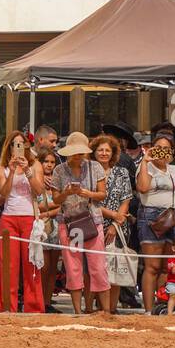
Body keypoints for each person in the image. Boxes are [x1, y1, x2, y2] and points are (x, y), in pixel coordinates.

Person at [51, 132, 109, 314]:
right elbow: (56, 200)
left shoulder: (95, 167)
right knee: (73, 267)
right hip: (68, 222)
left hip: (92, 219)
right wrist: (67, 193)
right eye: (74, 152)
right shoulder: (59, 171)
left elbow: (102, 194)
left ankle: (105, 311)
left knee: (98, 267)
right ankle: (77, 311)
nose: (77, 156)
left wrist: (86, 193)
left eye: (80, 152)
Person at [0, 130, 44, 313]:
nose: (18, 148)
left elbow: (40, 191)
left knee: (31, 264)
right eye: (15, 144)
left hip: (29, 217)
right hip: (9, 218)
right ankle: (7, 306)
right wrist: (12, 171)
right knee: (8, 265)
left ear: (26, 146)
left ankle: (34, 307)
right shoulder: (2, 168)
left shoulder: (35, 165)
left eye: (21, 144)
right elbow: (4, 193)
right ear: (9, 147)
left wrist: (28, 172)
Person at [134, 136, 175, 314]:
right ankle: (148, 309)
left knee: (164, 267)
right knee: (152, 266)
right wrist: (146, 161)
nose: (162, 151)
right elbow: (143, 188)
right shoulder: (145, 166)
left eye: (166, 148)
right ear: (152, 149)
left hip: (173, 216)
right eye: (158, 147)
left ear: (170, 151)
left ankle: (160, 306)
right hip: (150, 216)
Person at [92, 134, 133, 315]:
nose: (103, 153)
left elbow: (126, 199)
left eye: (107, 150)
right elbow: (91, 203)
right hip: (94, 224)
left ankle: (112, 309)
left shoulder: (122, 172)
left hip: (117, 227)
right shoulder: (89, 172)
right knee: (98, 268)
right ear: (94, 152)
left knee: (115, 269)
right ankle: (100, 308)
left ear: (113, 153)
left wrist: (115, 223)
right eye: (100, 149)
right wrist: (113, 215)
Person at [35, 149, 62, 311]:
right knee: (42, 266)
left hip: (56, 226)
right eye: (46, 162)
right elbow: (35, 205)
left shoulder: (58, 181)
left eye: (52, 162)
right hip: (41, 227)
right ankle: (38, 300)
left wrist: (48, 211)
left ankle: (47, 301)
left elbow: (63, 204)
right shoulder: (36, 180)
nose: (49, 165)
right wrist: (53, 207)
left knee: (53, 267)